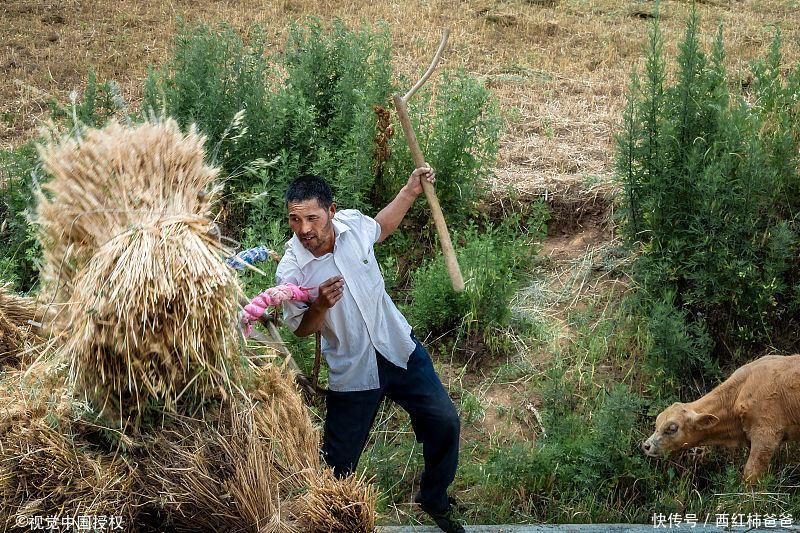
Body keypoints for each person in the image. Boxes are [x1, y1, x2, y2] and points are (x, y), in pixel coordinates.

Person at [275, 167, 464, 533]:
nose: (304, 229)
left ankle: (435, 499)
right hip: (353, 369)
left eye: (311, 217)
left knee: (445, 421)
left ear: (331, 211)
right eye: (294, 220)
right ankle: (323, 522)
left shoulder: (353, 226)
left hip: (398, 348)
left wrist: (410, 191)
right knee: (337, 466)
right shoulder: (292, 269)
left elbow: (381, 226)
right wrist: (319, 307)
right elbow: (301, 330)